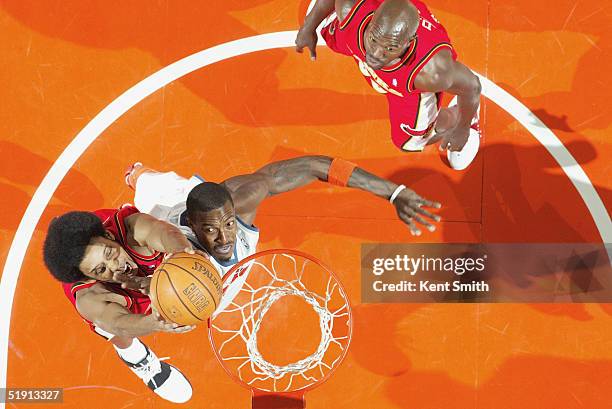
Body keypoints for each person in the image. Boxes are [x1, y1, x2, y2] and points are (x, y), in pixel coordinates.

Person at [122, 155, 441, 299]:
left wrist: (393, 193)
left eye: (230, 224)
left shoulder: (241, 198)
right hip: (169, 209)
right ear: (193, 225)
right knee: (148, 188)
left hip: (201, 206)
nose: (225, 239)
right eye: (211, 230)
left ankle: (143, 175)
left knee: (180, 188)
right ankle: (140, 176)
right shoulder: (171, 247)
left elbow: (316, 165)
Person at [295, 0, 482, 170]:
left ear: (409, 44)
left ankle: (455, 116)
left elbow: (472, 87)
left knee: (409, 142)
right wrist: (308, 27)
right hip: (370, 36)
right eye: (373, 40)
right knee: (326, 25)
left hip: (409, 85)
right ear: (372, 21)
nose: (375, 54)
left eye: (390, 48)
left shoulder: (430, 73)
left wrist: (462, 127)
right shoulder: (351, 12)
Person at [43, 206, 200, 403]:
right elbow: (118, 322)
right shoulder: (90, 296)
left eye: (109, 254)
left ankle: (139, 176)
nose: (116, 266)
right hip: (114, 306)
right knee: (113, 332)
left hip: (121, 239)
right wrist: (156, 322)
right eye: (101, 269)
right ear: (88, 278)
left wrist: (182, 253)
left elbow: (163, 232)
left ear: (109, 235)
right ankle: (137, 359)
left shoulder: (131, 229)